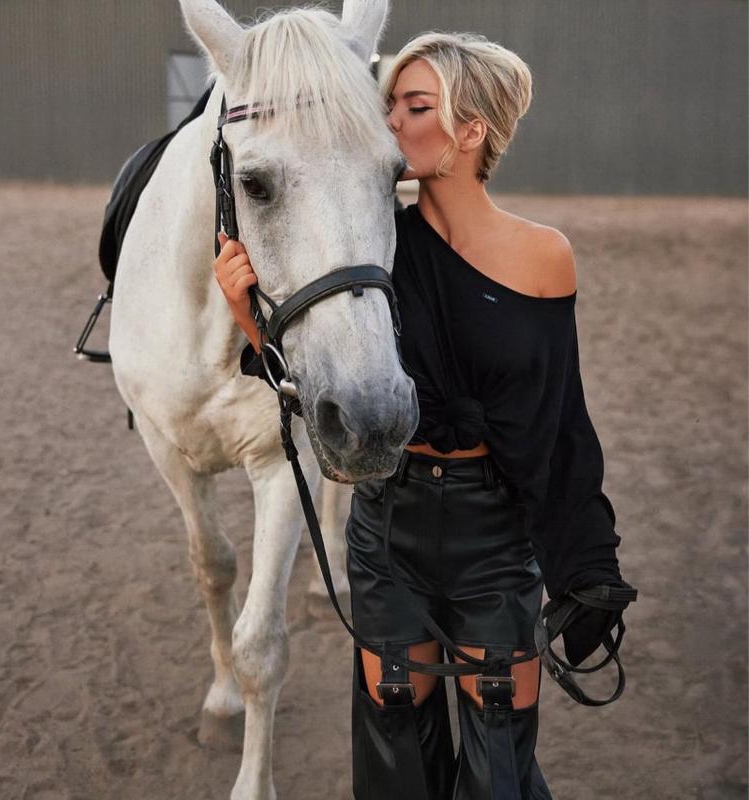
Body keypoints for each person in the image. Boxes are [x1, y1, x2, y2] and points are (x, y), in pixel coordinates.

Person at [214, 31, 630, 800]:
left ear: (469, 130)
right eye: (390, 105)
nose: (390, 122)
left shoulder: (544, 255)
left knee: (499, 763)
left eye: (412, 107)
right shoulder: (368, 254)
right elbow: (323, 391)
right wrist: (250, 322)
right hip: (387, 531)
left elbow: (558, 424)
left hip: (493, 542)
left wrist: (586, 565)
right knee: (395, 758)